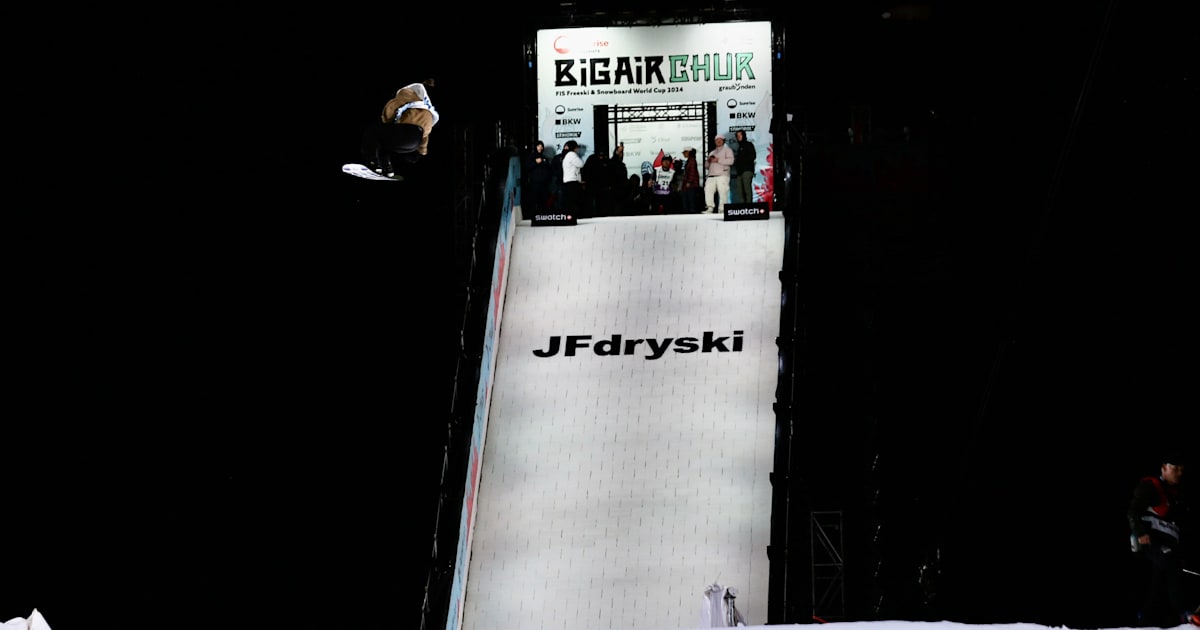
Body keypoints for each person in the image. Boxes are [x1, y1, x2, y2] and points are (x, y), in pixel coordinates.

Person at [1128, 452, 1194, 627]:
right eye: (1175, 468)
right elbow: (1133, 510)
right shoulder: (1151, 485)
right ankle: (1184, 613)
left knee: (1158, 582)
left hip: (1168, 544)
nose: (1179, 473)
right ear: (1164, 468)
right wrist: (1140, 532)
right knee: (1172, 565)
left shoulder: (1177, 494)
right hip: (1151, 541)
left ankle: (1144, 620)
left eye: (1181, 469)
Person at [361, 79, 439, 178]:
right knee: (384, 144)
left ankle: (372, 163)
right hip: (414, 145)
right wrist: (421, 152)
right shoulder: (428, 112)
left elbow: (390, 110)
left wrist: (386, 121)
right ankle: (388, 170)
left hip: (403, 135)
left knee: (372, 131)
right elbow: (425, 136)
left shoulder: (406, 94)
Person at [704, 134, 735, 214]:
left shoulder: (727, 150)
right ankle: (709, 208)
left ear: (723, 141)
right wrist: (708, 161)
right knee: (708, 191)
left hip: (722, 175)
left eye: (720, 140)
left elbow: (731, 161)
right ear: (714, 141)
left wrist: (718, 160)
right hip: (711, 175)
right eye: (717, 140)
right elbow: (706, 166)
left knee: (723, 192)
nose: (718, 141)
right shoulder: (712, 152)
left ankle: (722, 209)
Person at [524, 140, 552, 214]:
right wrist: (535, 162)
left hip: (544, 184)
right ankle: (533, 215)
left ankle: (543, 215)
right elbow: (527, 167)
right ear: (535, 147)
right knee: (534, 200)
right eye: (538, 146)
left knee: (543, 200)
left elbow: (548, 169)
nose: (540, 148)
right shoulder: (531, 156)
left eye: (541, 146)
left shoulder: (544, 157)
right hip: (535, 183)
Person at [560, 140, 585, 217]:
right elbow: (581, 164)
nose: (577, 149)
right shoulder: (572, 154)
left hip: (568, 181)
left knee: (569, 201)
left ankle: (570, 217)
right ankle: (574, 217)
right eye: (576, 147)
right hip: (572, 181)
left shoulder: (567, 155)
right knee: (573, 201)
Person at [732, 130, 757, 204]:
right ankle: (742, 207)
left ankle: (749, 206)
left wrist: (742, 161)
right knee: (740, 190)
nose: (739, 137)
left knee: (747, 189)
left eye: (740, 135)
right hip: (739, 172)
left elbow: (753, 156)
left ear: (744, 135)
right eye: (737, 136)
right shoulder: (740, 147)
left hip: (747, 170)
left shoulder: (748, 144)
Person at [679, 147, 703, 214]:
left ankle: (691, 215)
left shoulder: (692, 160)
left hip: (691, 185)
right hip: (689, 184)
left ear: (688, 152)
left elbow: (692, 172)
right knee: (688, 201)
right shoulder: (690, 160)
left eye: (685, 152)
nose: (684, 154)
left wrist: (689, 182)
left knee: (690, 202)